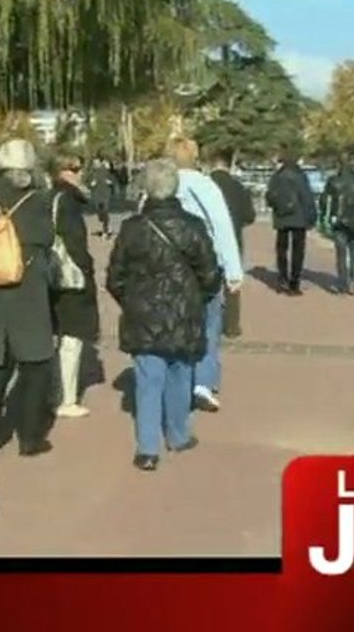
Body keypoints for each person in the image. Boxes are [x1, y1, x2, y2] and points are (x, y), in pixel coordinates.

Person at [106, 158, 222, 472]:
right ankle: (178, 434)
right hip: (184, 313)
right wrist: (198, 298)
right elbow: (211, 275)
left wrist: (131, 301)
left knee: (148, 381)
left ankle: (147, 449)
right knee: (180, 376)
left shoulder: (132, 228)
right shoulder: (192, 226)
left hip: (143, 315)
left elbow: (114, 277)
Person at [0, 139, 55, 457]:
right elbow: (46, 238)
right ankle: (30, 437)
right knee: (36, 364)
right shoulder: (38, 200)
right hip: (28, 289)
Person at [169, 137, 242, 413]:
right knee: (209, 324)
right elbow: (222, 226)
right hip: (205, 264)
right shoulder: (205, 186)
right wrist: (233, 269)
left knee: (177, 321)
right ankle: (203, 382)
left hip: (171, 266)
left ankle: (179, 377)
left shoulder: (163, 185)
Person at [49, 150, 100, 418]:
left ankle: (56, 390)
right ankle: (67, 398)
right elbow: (74, 242)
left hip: (49, 274)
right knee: (71, 336)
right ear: (64, 171)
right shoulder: (67, 201)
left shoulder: (48, 196)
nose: (81, 173)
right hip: (69, 275)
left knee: (56, 334)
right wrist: (86, 270)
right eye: (76, 168)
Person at [209, 149, 256, 338]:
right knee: (232, 282)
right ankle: (232, 325)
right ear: (230, 164)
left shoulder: (205, 185)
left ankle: (209, 322)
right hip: (233, 238)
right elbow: (249, 216)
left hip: (207, 238)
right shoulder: (238, 187)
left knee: (208, 282)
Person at [265, 149, 317, 296]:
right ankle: (294, 283)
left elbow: (269, 197)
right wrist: (311, 217)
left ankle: (282, 278)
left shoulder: (276, 176)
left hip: (281, 217)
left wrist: (277, 207)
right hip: (299, 218)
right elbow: (307, 198)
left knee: (281, 249)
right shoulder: (300, 176)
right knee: (298, 251)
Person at [321, 155, 354, 295]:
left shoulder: (333, 181)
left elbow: (324, 200)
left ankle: (342, 283)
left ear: (338, 165)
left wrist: (324, 216)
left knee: (341, 253)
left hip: (338, 221)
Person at [86, 153, 116, 238]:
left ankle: (106, 230)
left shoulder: (106, 171)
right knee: (100, 212)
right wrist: (91, 184)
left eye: (96, 162)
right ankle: (104, 224)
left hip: (105, 193)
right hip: (96, 194)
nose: (95, 164)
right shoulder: (92, 172)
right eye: (94, 163)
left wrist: (110, 182)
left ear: (100, 162)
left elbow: (113, 180)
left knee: (105, 210)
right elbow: (87, 182)